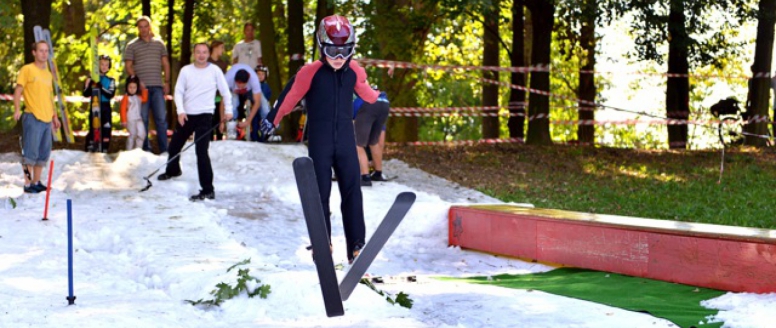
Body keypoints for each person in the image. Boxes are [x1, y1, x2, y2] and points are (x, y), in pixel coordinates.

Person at [261, 15, 379, 263]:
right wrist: (272, 119)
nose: (338, 57)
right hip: (321, 141)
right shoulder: (310, 72)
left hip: (346, 139)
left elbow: (368, 95)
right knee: (320, 193)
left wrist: (376, 95)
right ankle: (321, 243)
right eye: (332, 50)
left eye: (344, 51)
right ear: (321, 45)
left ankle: (356, 246)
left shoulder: (354, 70)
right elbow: (289, 97)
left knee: (352, 191)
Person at [157, 43, 233, 201]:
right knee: (175, 145)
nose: (201, 55)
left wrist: (228, 111)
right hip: (186, 115)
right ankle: (173, 170)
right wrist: (180, 111)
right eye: (198, 52)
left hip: (205, 116)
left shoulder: (215, 71)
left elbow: (226, 92)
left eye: (204, 52)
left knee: (201, 152)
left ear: (208, 54)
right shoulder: (186, 71)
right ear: (194, 54)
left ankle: (207, 190)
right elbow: (178, 92)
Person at [13, 40, 61, 193]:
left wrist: (55, 117)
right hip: (32, 116)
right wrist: (16, 110)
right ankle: (27, 184)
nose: (44, 53)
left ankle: (36, 182)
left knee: (43, 153)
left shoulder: (48, 74)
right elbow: (18, 91)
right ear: (34, 53)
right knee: (30, 153)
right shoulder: (27, 69)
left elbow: (49, 96)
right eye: (41, 50)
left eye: (46, 51)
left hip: (47, 119)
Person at [123, 16, 171, 154]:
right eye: (141, 27)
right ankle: (145, 150)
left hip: (157, 86)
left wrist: (167, 82)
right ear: (138, 28)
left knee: (161, 119)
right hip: (141, 90)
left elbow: (166, 64)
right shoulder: (132, 45)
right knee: (142, 119)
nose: (143, 29)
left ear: (150, 27)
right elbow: (128, 66)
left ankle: (164, 150)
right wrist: (138, 82)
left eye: (146, 26)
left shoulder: (159, 44)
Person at [353, 85, 390, 186]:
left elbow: (350, 118)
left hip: (368, 104)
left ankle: (365, 177)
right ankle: (378, 173)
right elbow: (381, 140)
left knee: (357, 144)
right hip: (385, 104)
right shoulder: (376, 92)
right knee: (373, 142)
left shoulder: (356, 98)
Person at [82, 55, 117, 152]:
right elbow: (85, 94)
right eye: (102, 64)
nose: (104, 66)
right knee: (94, 128)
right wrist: (90, 84)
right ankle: (90, 147)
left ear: (109, 67)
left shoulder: (111, 80)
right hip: (95, 106)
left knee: (106, 128)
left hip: (105, 107)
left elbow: (111, 94)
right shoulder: (91, 79)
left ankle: (104, 148)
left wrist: (100, 87)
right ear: (98, 66)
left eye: (106, 65)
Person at [223, 63, 264, 139]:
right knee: (234, 103)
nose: (240, 86)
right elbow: (223, 100)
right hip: (233, 91)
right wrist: (222, 121)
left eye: (242, 84)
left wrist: (248, 121)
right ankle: (231, 128)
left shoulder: (254, 79)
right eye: (238, 83)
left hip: (249, 91)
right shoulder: (228, 79)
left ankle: (268, 130)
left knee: (264, 106)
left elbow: (257, 102)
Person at [119, 77, 148, 150]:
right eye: (130, 87)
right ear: (127, 87)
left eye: (134, 87)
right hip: (130, 119)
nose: (132, 89)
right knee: (133, 135)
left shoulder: (138, 97)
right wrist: (124, 121)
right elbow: (122, 109)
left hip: (138, 118)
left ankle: (138, 151)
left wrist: (144, 89)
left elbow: (144, 99)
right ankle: (129, 151)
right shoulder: (126, 97)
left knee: (142, 134)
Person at [208, 40, 229, 141]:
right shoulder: (206, 62)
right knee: (208, 126)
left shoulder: (223, 64)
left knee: (218, 123)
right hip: (206, 99)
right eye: (222, 47)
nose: (223, 50)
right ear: (215, 48)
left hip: (218, 98)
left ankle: (220, 145)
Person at [250, 65, 272, 142]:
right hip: (253, 109)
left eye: (262, 74)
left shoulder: (266, 86)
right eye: (258, 74)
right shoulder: (251, 86)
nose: (260, 76)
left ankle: (265, 137)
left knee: (262, 125)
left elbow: (266, 98)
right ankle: (254, 137)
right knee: (254, 125)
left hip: (262, 110)